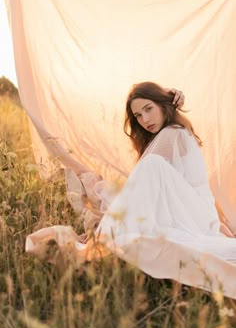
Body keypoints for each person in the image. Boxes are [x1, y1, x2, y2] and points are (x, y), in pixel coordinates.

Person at [26, 82, 236, 298]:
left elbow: (149, 177)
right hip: (193, 209)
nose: (145, 120)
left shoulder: (173, 133)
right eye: (138, 115)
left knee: (151, 167)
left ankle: (114, 228)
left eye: (149, 109)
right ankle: (117, 225)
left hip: (195, 212)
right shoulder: (171, 133)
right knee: (142, 177)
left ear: (163, 105)